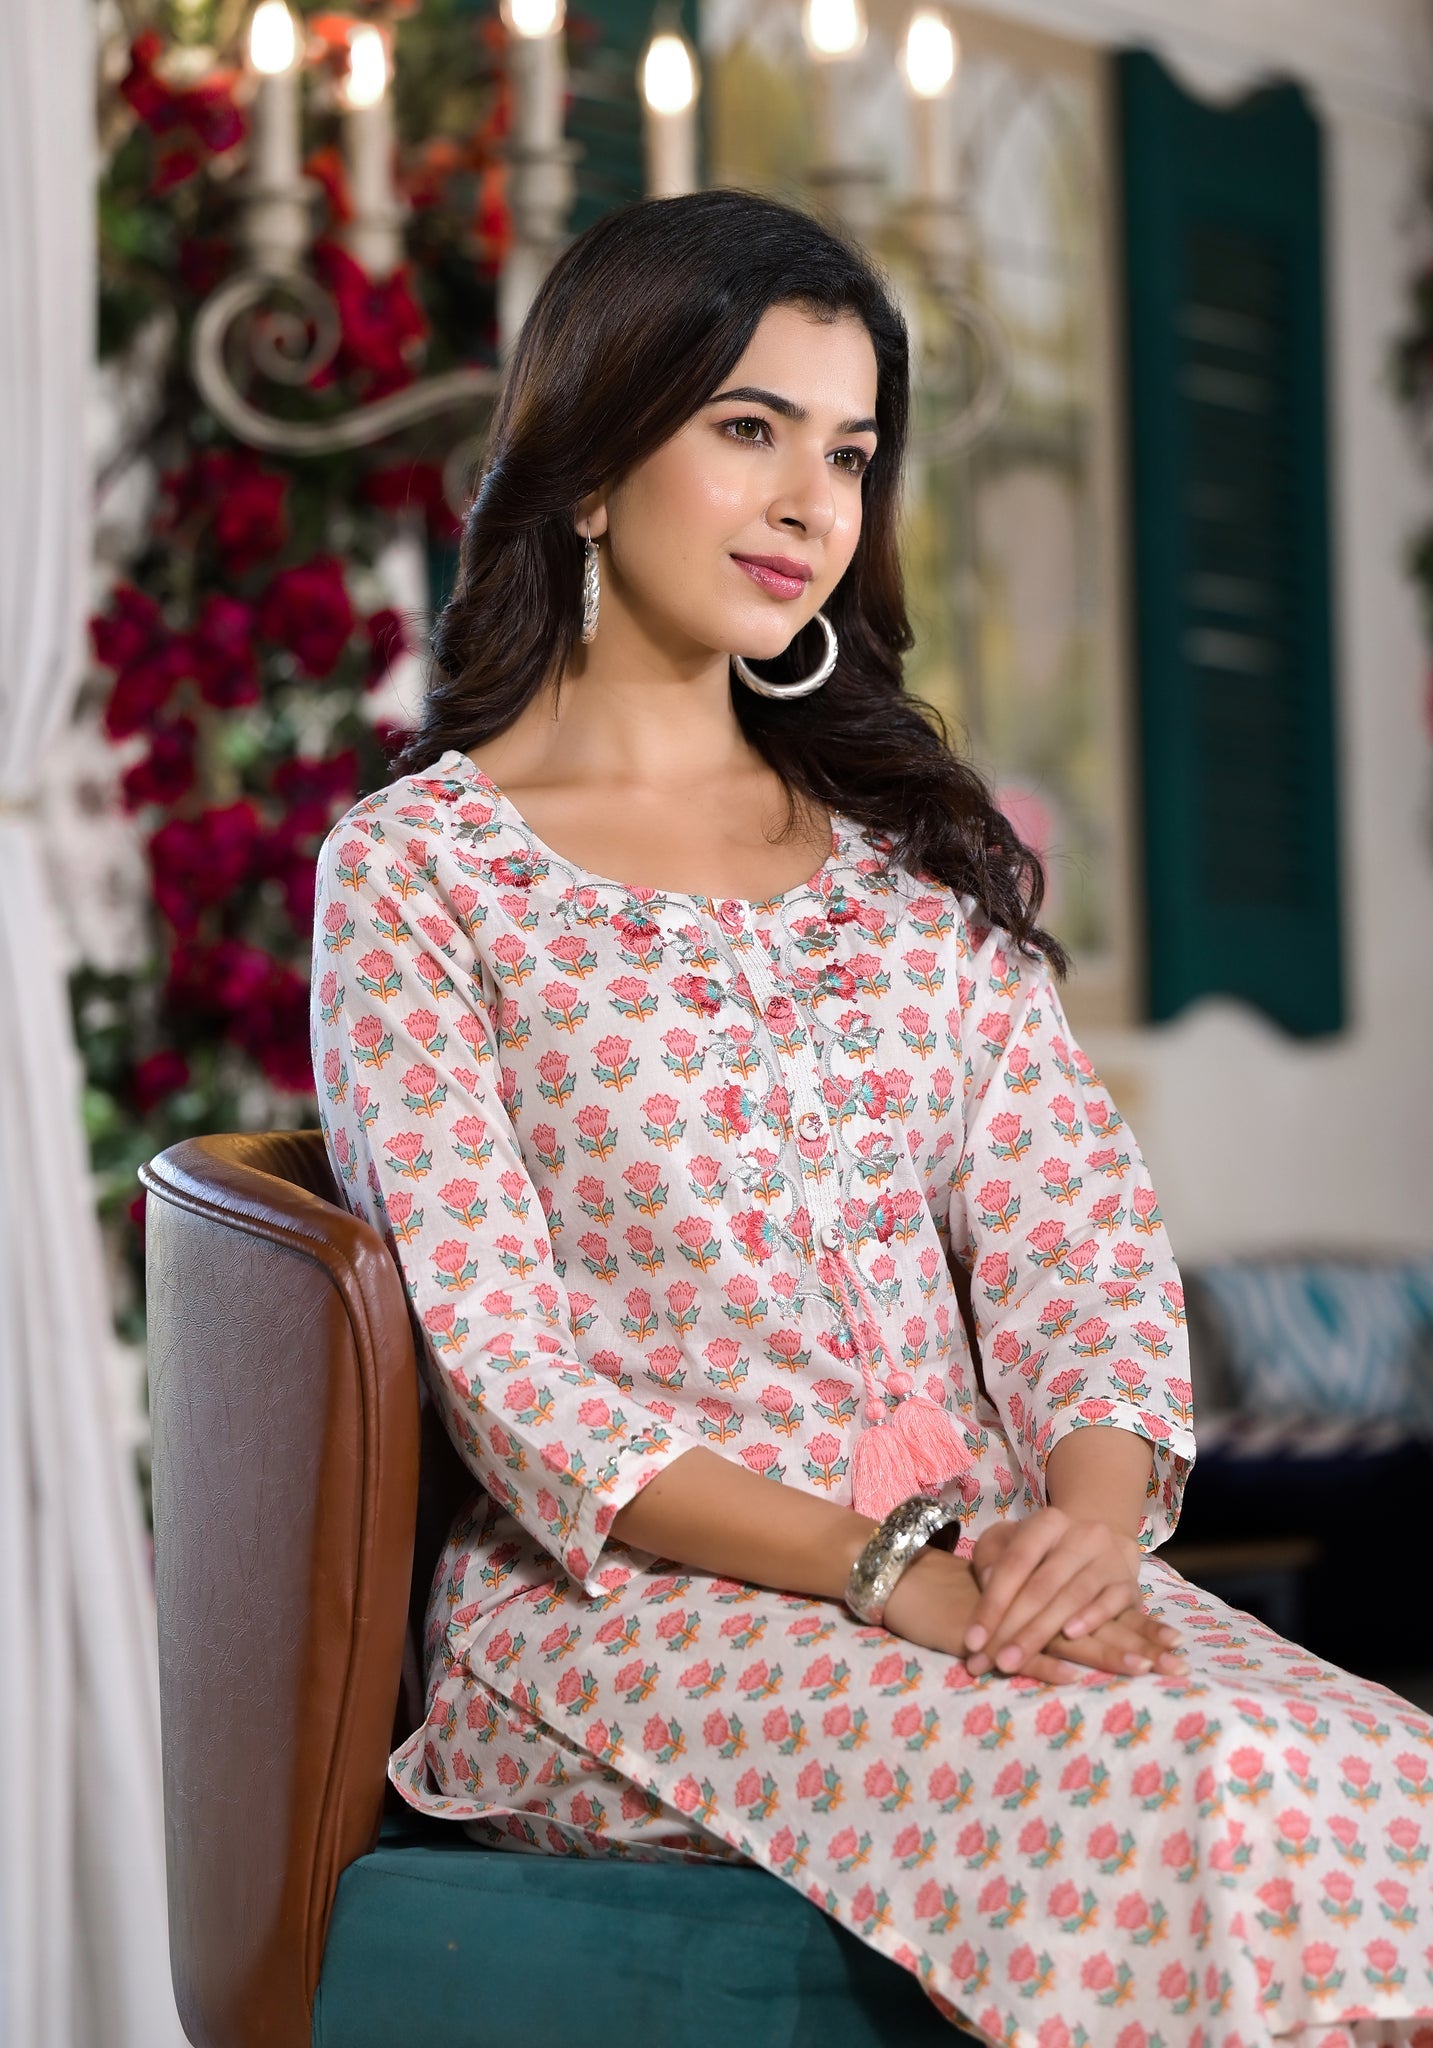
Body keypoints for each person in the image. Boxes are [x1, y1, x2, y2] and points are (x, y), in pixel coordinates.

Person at [310, 189, 1433, 2047]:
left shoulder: (909, 863)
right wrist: (879, 1573)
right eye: (745, 429)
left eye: (846, 450)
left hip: (996, 1570)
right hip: (637, 1618)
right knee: (1177, 1808)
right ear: (589, 466)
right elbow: (506, 1375)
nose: (809, 500)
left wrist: (1082, 1516)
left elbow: (1072, 1229)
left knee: (1371, 1781)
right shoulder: (425, 878)